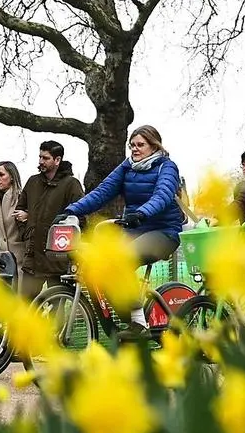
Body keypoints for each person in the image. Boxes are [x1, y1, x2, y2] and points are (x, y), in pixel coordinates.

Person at [62, 125, 184, 338]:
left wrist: (142, 213)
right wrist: (71, 210)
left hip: (163, 232)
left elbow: (163, 195)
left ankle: (139, 322)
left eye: (140, 145)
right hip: (135, 229)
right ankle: (125, 322)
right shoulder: (128, 167)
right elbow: (101, 193)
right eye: (132, 145)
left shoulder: (167, 167)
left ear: (154, 146)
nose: (135, 149)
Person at [13, 141, 84, 300]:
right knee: (25, 304)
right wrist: (27, 234)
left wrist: (67, 244)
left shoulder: (71, 184)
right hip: (33, 256)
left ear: (57, 160)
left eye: (45, 158)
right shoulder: (32, 182)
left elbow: (80, 217)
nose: (40, 161)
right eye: (40, 157)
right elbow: (19, 212)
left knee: (56, 307)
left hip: (57, 258)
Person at [0, 161, 26, 266]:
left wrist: (27, 216)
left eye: (1, 175)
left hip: (20, 258)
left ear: (12, 177)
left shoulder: (22, 198)